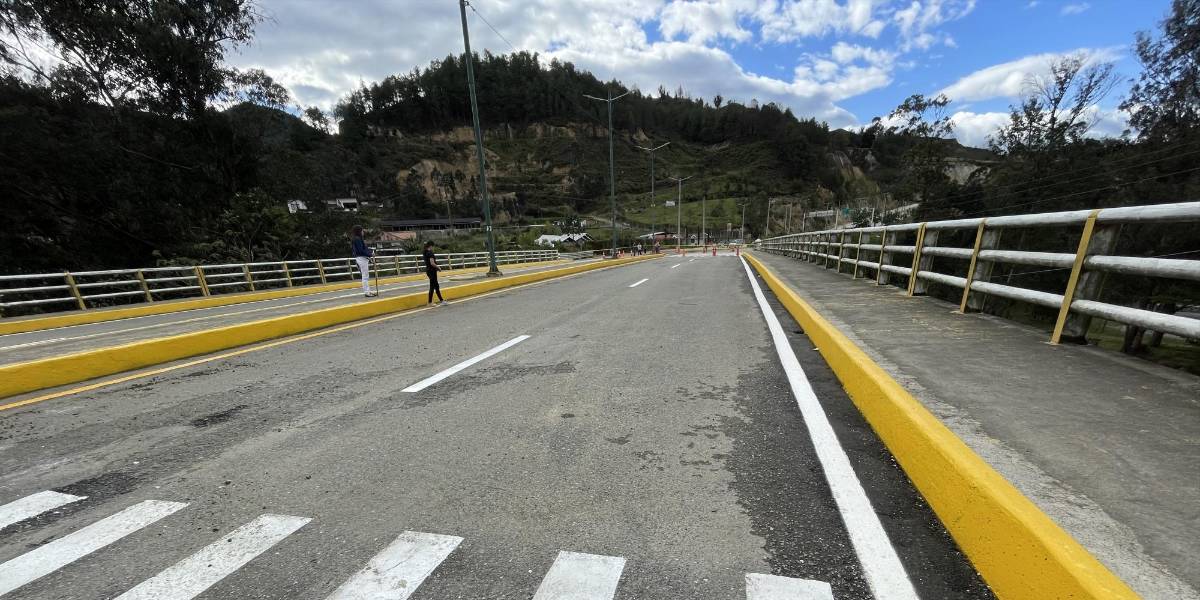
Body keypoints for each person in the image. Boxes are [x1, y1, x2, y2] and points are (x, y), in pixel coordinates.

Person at [351, 225, 376, 297]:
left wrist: (370, 253)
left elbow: (362, 249)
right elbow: (361, 250)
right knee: (365, 276)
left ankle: (368, 291)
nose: (363, 232)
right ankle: (367, 292)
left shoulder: (356, 239)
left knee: (365, 276)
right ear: (359, 231)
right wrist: (371, 254)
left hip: (361, 258)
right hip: (361, 258)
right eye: (362, 231)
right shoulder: (357, 239)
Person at [423, 241, 445, 306]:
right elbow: (432, 263)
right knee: (433, 286)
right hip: (432, 271)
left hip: (429, 271)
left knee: (436, 286)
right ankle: (430, 302)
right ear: (431, 246)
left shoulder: (425, 252)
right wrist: (438, 267)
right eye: (433, 246)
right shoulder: (430, 253)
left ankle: (441, 300)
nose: (433, 248)